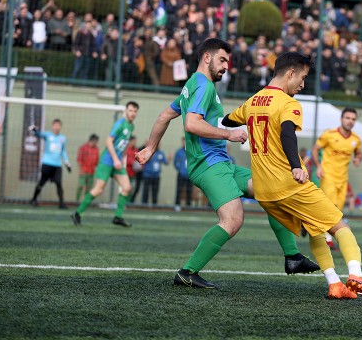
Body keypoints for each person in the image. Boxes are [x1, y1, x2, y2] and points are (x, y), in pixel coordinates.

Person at [135, 38, 320, 288]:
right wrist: (228, 134)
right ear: (207, 58)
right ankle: (187, 272)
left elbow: (164, 116)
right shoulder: (204, 87)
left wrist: (150, 147)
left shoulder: (192, 85)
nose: (226, 66)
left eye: (228, 62)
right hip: (208, 165)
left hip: (222, 164)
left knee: (271, 191)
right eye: (222, 60)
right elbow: (191, 124)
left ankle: (293, 257)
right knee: (232, 220)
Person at [222, 51, 362, 307]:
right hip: (288, 184)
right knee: (340, 226)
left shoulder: (253, 101)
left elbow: (227, 119)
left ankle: (335, 284)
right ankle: (356, 275)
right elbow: (288, 133)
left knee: (314, 228)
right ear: (290, 73)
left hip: (263, 192)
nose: (302, 84)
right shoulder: (288, 104)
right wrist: (295, 167)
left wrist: (232, 131)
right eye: (303, 77)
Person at [72, 101, 139, 227]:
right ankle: (77, 213)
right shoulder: (119, 124)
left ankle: (118, 217)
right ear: (125, 111)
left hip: (117, 163)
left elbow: (124, 145)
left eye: (135, 111)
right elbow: (108, 141)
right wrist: (115, 160)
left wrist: (122, 158)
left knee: (127, 188)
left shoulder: (131, 127)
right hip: (108, 162)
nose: (132, 113)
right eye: (130, 110)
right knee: (98, 190)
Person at [311, 107, 362, 249]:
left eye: (353, 119)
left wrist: (358, 159)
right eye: (347, 118)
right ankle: (327, 239)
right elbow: (315, 149)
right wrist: (318, 166)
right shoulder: (329, 134)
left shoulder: (355, 139)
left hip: (343, 180)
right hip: (328, 176)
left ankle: (311, 224)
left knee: (338, 211)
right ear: (341, 119)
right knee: (331, 207)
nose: (350, 121)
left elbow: (358, 153)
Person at [29, 119, 71, 209]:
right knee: (42, 182)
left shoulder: (62, 138)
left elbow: (63, 151)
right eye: (55, 125)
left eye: (58, 125)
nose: (56, 127)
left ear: (60, 127)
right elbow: (38, 134)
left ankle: (61, 203)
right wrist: (34, 129)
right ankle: (33, 199)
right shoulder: (47, 135)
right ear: (52, 126)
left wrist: (67, 162)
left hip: (57, 165)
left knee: (59, 183)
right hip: (47, 163)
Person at [75, 134, 99, 202]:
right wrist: (80, 170)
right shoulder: (83, 148)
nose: (96, 143)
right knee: (81, 186)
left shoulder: (96, 149)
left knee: (89, 188)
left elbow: (97, 161)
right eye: (95, 141)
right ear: (92, 140)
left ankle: (85, 202)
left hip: (91, 171)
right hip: (84, 170)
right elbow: (79, 160)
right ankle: (77, 201)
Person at [173, 137, 192, 210]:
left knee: (189, 191)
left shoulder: (191, 151)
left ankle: (188, 206)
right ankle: (177, 205)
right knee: (179, 190)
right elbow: (175, 162)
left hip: (190, 175)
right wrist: (180, 169)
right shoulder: (179, 152)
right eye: (183, 142)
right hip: (181, 175)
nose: (185, 143)